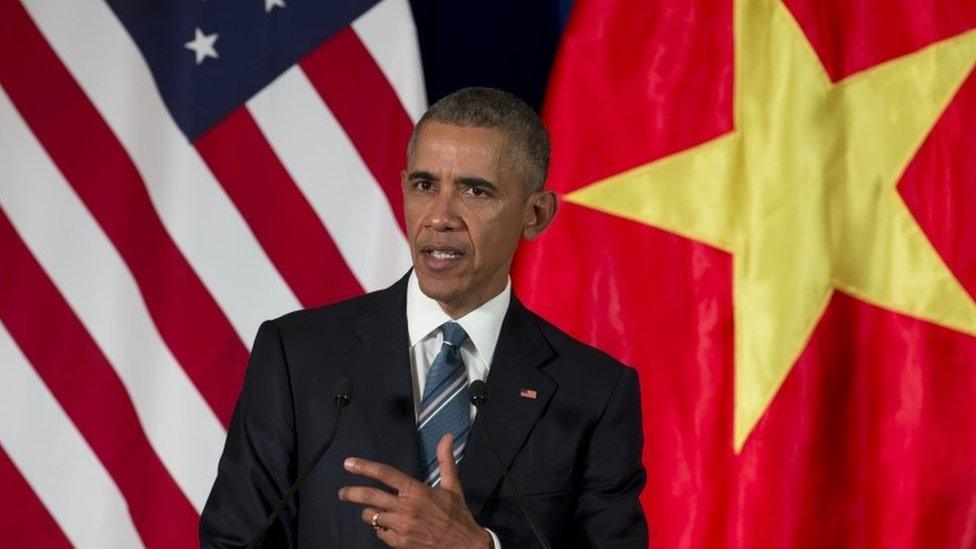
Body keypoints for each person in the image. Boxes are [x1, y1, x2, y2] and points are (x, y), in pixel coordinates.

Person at [200, 87, 648, 548]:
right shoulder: (299, 355)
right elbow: (233, 540)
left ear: (535, 214)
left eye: (475, 190)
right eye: (424, 185)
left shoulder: (595, 393)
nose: (439, 216)